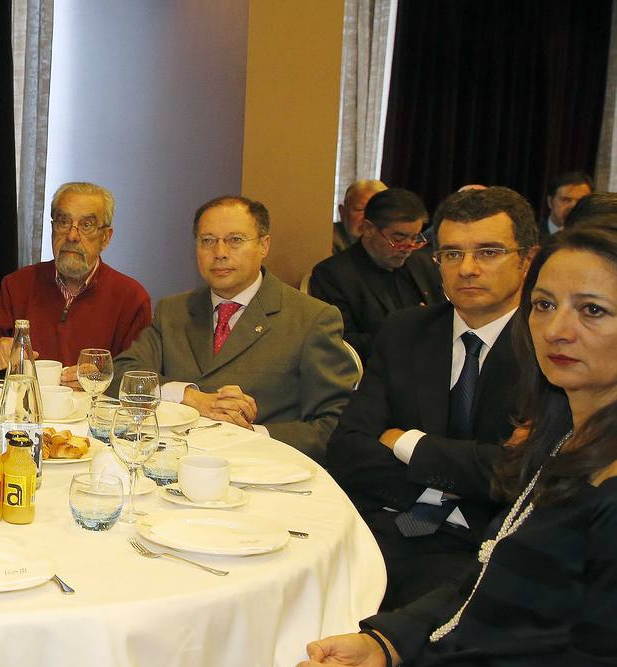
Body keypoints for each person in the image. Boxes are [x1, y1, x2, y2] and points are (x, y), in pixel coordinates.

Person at [300, 223, 617, 667]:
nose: (558, 329)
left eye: (593, 310)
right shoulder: (567, 436)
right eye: (544, 305)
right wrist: (386, 643)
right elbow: (487, 572)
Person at [325, 187, 539, 611]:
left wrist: (407, 442)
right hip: (393, 520)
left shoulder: (549, 348)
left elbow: (517, 476)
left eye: (489, 252)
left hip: (490, 543)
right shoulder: (406, 331)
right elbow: (347, 450)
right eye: (452, 254)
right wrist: (467, 471)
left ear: (528, 260)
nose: (468, 269)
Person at [112, 196, 358, 460]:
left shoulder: (311, 319)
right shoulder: (174, 311)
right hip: (169, 464)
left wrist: (252, 434)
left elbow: (336, 425)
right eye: (207, 241)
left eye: (235, 240)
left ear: (264, 245)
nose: (219, 253)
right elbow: (122, 376)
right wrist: (190, 397)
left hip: (260, 470)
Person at [0, 182, 151, 378]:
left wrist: (102, 378)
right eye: (63, 222)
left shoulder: (132, 299)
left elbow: (140, 378)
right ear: (52, 228)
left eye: (87, 225)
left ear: (106, 238)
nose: (72, 235)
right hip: (26, 406)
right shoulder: (19, 284)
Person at [307, 188, 446, 357]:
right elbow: (339, 342)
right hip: (376, 370)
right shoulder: (332, 275)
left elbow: (443, 316)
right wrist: (407, 334)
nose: (408, 248)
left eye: (415, 237)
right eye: (398, 238)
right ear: (368, 229)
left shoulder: (422, 263)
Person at [332, 178, 387, 255]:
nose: (367, 218)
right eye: (359, 210)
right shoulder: (327, 241)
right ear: (342, 212)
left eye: (376, 211)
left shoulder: (391, 244)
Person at [541, 170, 593, 236]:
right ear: (550, 202)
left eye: (581, 201)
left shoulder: (594, 239)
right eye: (565, 200)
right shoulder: (532, 236)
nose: (573, 206)